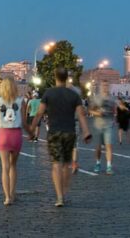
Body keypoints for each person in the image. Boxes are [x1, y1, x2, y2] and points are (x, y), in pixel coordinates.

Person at [27, 68, 91, 207]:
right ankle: (64, 191)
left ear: (55, 77)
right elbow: (81, 115)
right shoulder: (74, 95)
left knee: (56, 164)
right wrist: (86, 132)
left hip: (54, 132)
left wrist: (32, 130)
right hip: (69, 132)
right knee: (67, 164)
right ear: (66, 77)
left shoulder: (49, 93)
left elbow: (39, 114)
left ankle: (59, 196)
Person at [0, 78, 25, 206]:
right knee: (13, 166)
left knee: (5, 167)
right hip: (16, 134)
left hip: (3, 135)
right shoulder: (21, 101)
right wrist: (31, 133)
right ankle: (13, 193)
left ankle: (7, 197)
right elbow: (24, 122)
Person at [90, 82, 117, 175]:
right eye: (104, 85)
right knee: (98, 147)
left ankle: (109, 166)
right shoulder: (97, 98)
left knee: (108, 145)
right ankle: (98, 163)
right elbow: (90, 110)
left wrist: (114, 119)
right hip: (98, 125)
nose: (105, 87)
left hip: (108, 125)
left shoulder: (112, 98)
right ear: (101, 87)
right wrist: (97, 113)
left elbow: (114, 110)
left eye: (107, 85)